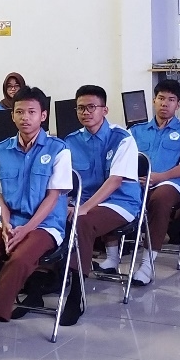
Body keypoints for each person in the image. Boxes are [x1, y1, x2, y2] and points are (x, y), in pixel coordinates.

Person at [0, 86, 73, 360]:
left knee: (19, 259)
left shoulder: (59, 149)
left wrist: (26, 230)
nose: (25, 117)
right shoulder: (1, 150)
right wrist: (6, 224)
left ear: (43, 115)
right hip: (10, 222)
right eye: (19, 112)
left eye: (32, 112)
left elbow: (53, 197)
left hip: (44, 225)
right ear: (12, 115)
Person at [67, 86, 144, 285]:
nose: (86, 112)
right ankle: (49, 274)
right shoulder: (71, 141)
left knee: (81, 221)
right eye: (81, 108)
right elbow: (65, 180)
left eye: (91, 107)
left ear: (105, 110)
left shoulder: (122, 138)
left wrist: (83, 208)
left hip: (120, 202)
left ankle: (77, 283)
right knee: (51, 217)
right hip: (84, 201)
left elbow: (115, 180)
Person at [130, 80, 180, 249]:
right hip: (140, 181)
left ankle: (149, 257)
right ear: (154, 100)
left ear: (178, 105)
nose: (165, 103)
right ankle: (113, 251)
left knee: (160, 199)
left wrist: (160, 177)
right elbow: (124, 160)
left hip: (172, 183)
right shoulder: (136, 130)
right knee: (116, 192)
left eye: (171, 100)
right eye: (161, 98)